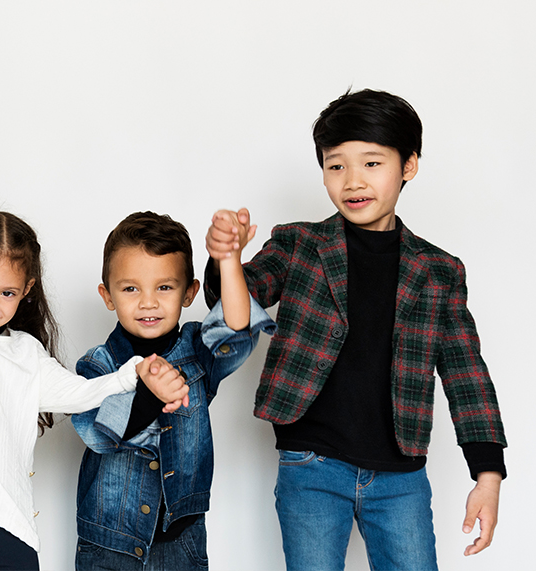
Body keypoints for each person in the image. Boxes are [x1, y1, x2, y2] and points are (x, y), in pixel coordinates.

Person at [204, 88, 506, 570]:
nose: (352, 180)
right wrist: (228, 260)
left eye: (371, 163)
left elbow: (466, 373)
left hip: (401, 477)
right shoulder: (298, 243)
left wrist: (487, 475)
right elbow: (238, 313)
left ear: (408, 166)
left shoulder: (440, 270)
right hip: (312, 466)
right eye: (335, 165)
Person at [0, 102, 187, 570]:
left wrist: (136, 373)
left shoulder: (25, 353)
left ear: (26, 291)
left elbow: (81, 393)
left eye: (7, 292)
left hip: (14, 527)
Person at [70, 211, 275, 570]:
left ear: (189, 292)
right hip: (108, 543)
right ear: (107, 295)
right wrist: (150, 394)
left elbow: (237, 331)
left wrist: (228, 261)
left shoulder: (197, 352)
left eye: (164, 287)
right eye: (131, 288)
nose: (148, 302)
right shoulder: (97, 364)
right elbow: (97, 434)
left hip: (182, 541)